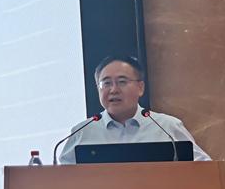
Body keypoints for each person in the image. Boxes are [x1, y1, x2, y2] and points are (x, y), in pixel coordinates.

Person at [59, 55, 211, 164]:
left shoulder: (167, 127)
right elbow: (64, 181)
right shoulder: (82, 133)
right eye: (106, 83)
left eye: (122, 82)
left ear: (140, 87)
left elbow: (204, 168)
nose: (113, 90)